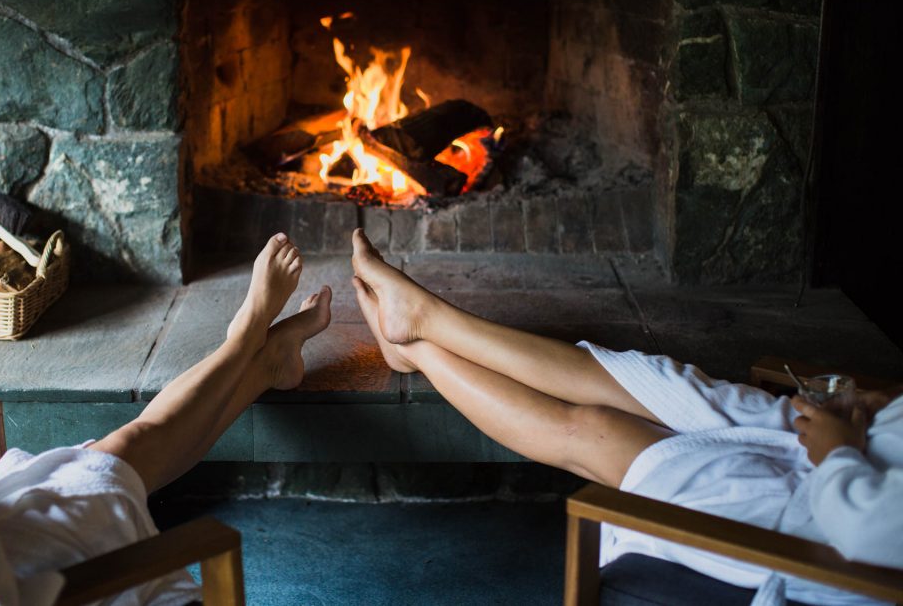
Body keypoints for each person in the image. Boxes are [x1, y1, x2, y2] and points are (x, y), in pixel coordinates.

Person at [348, 228, 903, 606]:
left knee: (596, 430)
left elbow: (867, 529)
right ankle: (427, 321)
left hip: (815, 521)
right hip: (848, 443)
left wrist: (839, 451)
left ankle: (416, 347)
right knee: (654, 380)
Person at [0, 233, 331, 605]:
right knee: (116, 459)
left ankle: (263, 358)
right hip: (4, 579)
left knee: (116, 453)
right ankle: (247, 344)